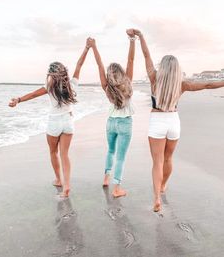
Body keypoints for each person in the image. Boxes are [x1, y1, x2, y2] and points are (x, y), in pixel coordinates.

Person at [133, 28, 224, 212]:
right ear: (177, 70)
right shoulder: (182, 84)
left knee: (157, 162)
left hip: (157, 121)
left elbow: (146, 55)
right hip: (173, 122)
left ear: (163, 68)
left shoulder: (154, 79)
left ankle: (157, 197)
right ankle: (164, 185)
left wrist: (141, 36)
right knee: (168, 158)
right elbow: (207, 84)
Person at [8, 39, 90, 197]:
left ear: (51, 74)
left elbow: (32, 95)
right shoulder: (72, 85)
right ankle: (67, 185)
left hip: (54, 123)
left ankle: (59, 180)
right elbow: (79, 65)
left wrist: (18, 100)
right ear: (64, 72)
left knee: (53, 152)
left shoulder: (49, 87)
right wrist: (86, 48)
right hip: (68, 122)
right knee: (65, 154)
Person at [86, 29, 136, 197]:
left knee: (111, 151)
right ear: (121, 72)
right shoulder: (127, 81)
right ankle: (117, 189)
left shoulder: (107, 87)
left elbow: (99, 65)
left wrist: (93, 47)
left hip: (110, 123)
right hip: (125, 123)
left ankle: (106, 178)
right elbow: (131, 59)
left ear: (109, 75)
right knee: (121, 157)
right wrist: (132, 40)